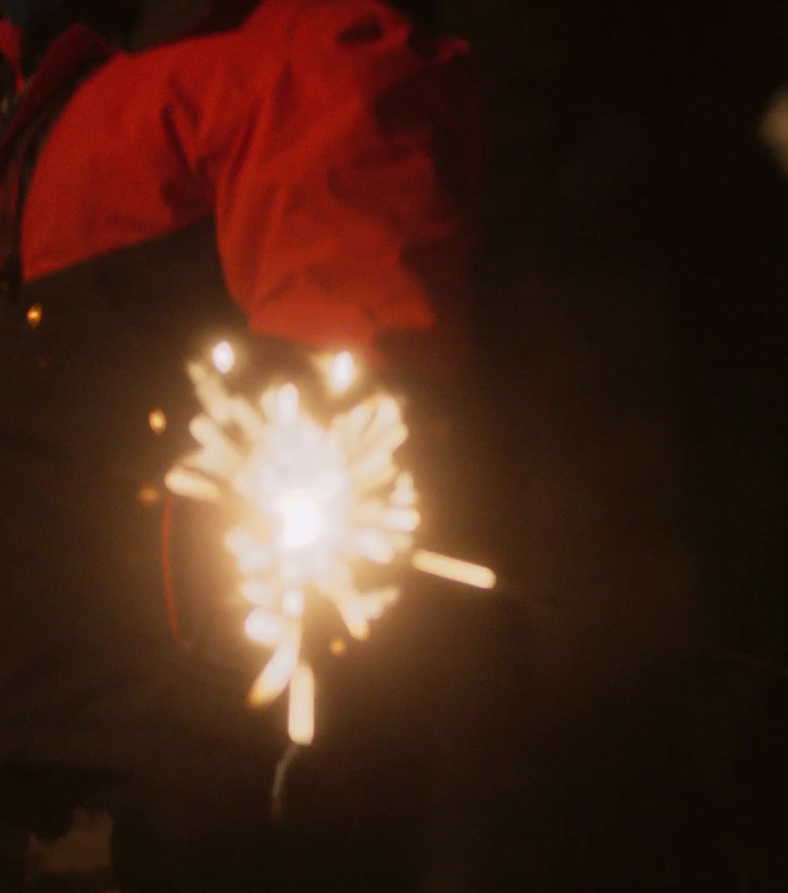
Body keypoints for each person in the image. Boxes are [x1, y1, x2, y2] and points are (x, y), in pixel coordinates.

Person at [0, 0, 475, 888]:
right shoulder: (62, 83)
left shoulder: (303, 59)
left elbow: (355, 386)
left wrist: (250, 654)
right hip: (57, 725)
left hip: (198, 754)